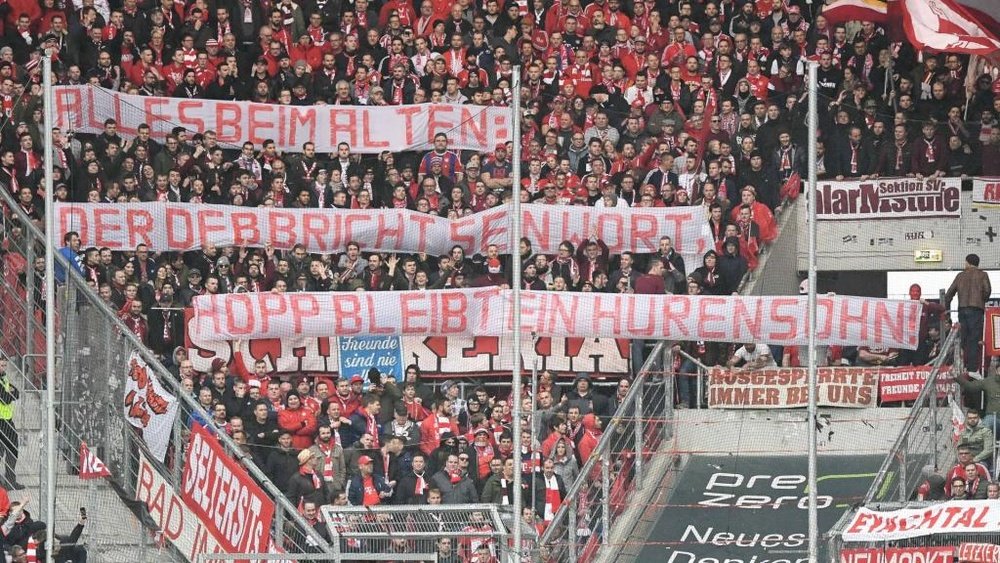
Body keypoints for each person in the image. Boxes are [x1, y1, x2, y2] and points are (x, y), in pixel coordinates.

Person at [944, 254, 992, 377]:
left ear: (967, 262)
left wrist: (946, 309)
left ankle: (964, 365)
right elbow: (987, 292)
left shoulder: (960, 276)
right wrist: (982, 299)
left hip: (962, 310)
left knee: (964, 338)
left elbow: (949, 293)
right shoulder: (983, 275)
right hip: (976, 310)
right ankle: (972, 369)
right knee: (974, 339)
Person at [0, 358, 21, 490]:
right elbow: (5, 399)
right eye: (1, 365)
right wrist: (9, 394)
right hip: (0, 421)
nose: (3, 367)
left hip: (7, 420)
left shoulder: (4, 378)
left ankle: (10, 480)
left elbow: (17, 393)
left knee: (13, 449)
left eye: (5, 365)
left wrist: (10, 393)